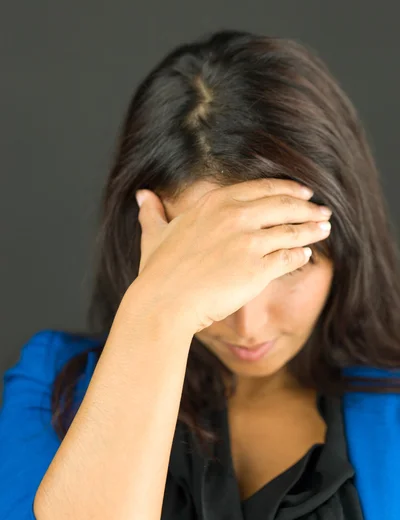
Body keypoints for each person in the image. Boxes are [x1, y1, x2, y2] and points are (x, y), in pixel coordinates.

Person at [1, 29, 400, 520]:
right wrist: (158, 314)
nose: (248, 325)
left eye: (290, 263)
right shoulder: (56, 386)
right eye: (212, 271)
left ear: (346, 243)